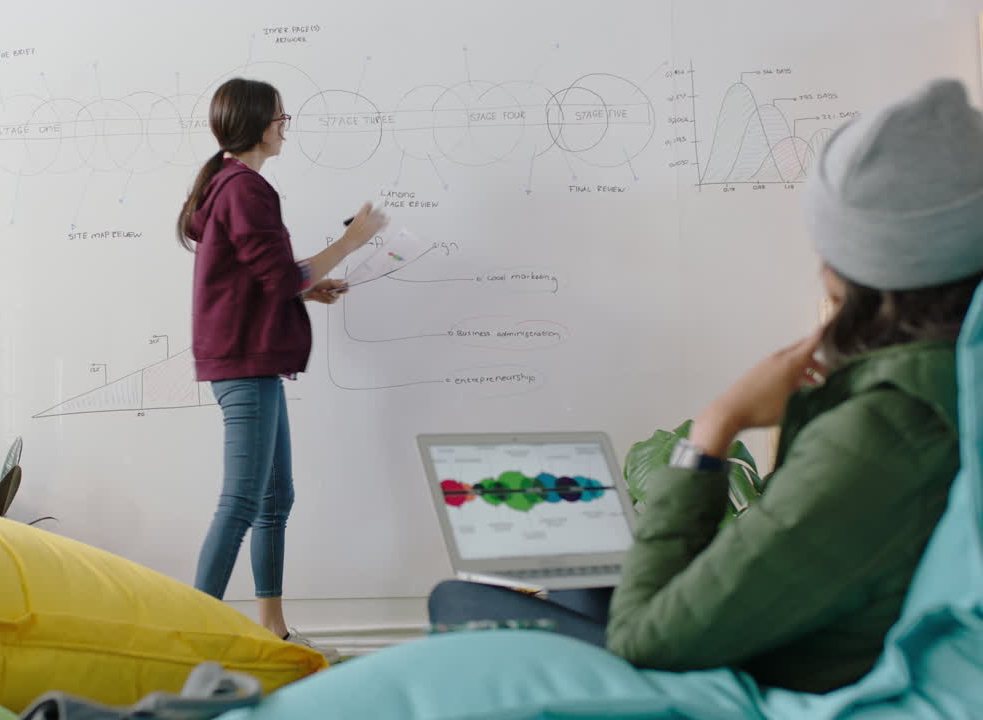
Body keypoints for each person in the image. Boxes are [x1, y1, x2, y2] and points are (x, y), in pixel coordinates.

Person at [428, 77, 983, 693]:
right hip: (794, 626)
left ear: (858, 267)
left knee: (457, 600)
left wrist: (715, 429)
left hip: (752, 678)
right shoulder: (955, 376)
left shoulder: (881, 431)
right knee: (579, 572)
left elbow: (644, 640)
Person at [178, 77, 388, 662]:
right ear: (258, 126)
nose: (284, 128)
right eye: (280, 118)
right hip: (244, 362)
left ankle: (273, 630)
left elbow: (263, 274)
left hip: (252, 359)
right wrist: (350, 241)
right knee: (243, 502)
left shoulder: (230, 184)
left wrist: (307, 289)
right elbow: (277, 278)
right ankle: (193, 642)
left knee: (275, 499)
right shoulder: (244, 188)